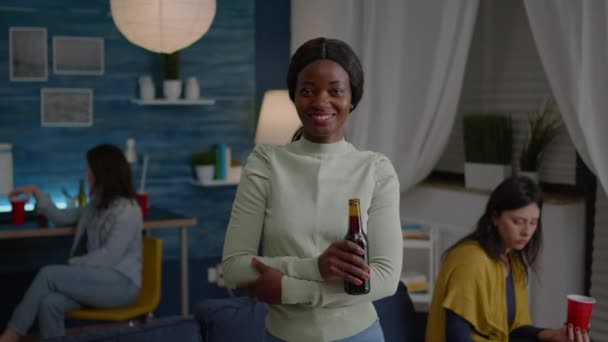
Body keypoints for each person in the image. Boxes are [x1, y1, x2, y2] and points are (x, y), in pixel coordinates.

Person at [221, 37, 403, 341]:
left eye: (335, 91)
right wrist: (316, 267)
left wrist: (290, 289)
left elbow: (385, 279)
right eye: (308, 90)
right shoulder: (266, 163)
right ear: (294, 96)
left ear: (352, 99)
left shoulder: (375, 169)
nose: (321, 101)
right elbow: (235, 267)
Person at [0, 144, 143, 341]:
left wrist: (72, 266)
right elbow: (63, 217)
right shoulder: (98, 202)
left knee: (48, 274)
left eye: (89, 169)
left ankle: (11, 335)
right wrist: (36, 193)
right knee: (50, 303)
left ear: (103, 172)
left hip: (122, 285)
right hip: (98, 280)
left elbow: (109, 256)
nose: (86, 173)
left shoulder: (128, 210)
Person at [426, 176, 590, 342]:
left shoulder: (513, 260)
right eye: (518, 222)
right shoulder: (471, 260)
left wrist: (553, 335)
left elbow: (514, 330)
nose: (527, 231)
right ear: (495, 217)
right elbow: (456, 337)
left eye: (533, 222)